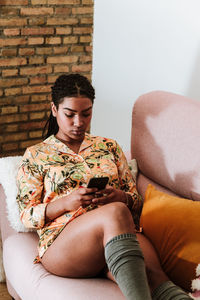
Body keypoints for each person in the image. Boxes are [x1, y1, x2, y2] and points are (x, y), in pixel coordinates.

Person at [16, 74, 191, 300]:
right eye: (70, 114)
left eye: (86, 113)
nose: (79, 122)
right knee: (115, 212)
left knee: (155, 275)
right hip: (63, 244)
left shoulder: (108, 147)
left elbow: (136, 201)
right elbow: (26, 215)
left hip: (117, 233)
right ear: (54, 109)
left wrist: (121, 197)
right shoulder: (36, 155)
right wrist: (65, 203)